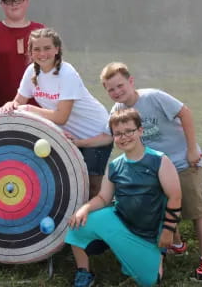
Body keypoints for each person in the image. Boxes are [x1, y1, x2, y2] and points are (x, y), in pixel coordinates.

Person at [100, 62, 202, 282]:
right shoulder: (117, 111)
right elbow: (109, 137)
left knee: (195, 210)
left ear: (131, 81)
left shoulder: (153, 97)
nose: (117, 92)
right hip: (154, 168)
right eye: (111, 89)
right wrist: (77, 141)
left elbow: (186, 113)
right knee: (161, 204)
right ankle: (177, 244)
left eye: (120, 85)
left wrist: (192, 149)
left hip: (182, 162)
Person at [65, 108, 182, 287]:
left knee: (150, 281)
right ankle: (84, 272)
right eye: (118, 134)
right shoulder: (114, 166)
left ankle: (157, 255)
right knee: (78, 225)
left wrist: (168, 231)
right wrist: (84, 209)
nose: (124, 137)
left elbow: (175, 197)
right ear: (113, 137)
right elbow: (104, 198)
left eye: (129, 131)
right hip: (120, 223)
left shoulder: (159, 161)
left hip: (148, 233)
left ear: (140, 130)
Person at [0, 28, 112, 198]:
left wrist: (30, 109)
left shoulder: (67, 73)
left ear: (57, 49)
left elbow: (61, 117)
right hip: (68, 138)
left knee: (92, 189)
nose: (42, 53)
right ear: (30, 51)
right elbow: (18, 103)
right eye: (36, 49)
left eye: (47, 48)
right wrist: (10, 105)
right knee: (67, 186)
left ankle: (98, 223)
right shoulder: (31, 72)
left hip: (96, 134)